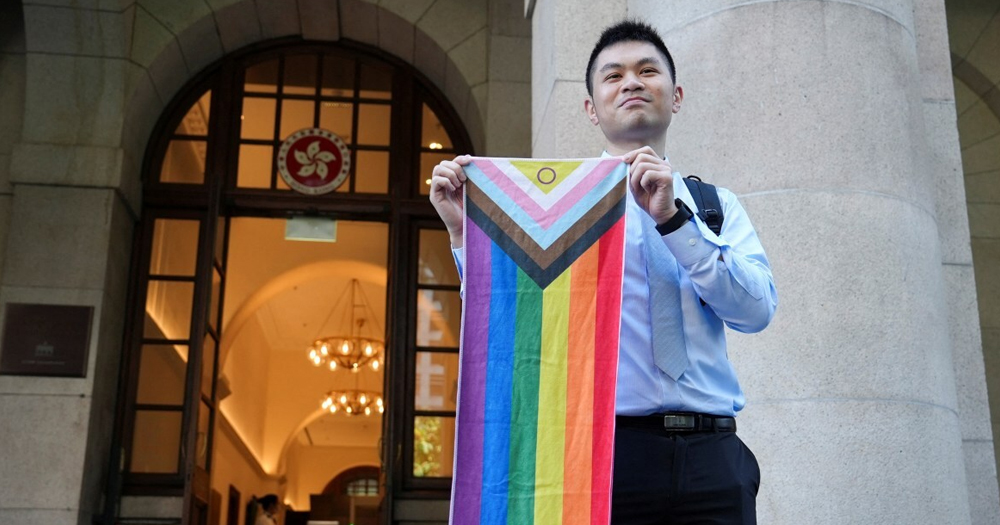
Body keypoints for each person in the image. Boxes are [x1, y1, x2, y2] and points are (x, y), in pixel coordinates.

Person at [429, 19, 777, 525]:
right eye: (613, 76)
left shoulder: (714, 206)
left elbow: (756, 311)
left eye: (647, 70)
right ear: (591, 109)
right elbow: (510, 321)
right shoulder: (556, 211)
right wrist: (466, 236)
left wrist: (674, 222)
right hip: (604, 458)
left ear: (675, 96)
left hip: (714, 458)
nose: (632, 82)